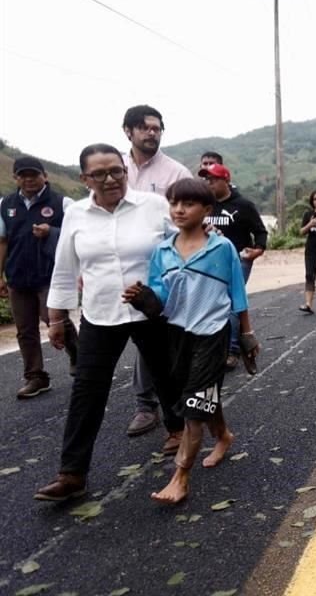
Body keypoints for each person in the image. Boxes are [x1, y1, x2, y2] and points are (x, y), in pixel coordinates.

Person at [35, 143, 181, 501]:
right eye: (99, 174)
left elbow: (182, 245)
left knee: (166, 371)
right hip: (100, 314)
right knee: (88, 389)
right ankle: (72, 474)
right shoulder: (77, 215)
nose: (110, 178)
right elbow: (66, 268)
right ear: (85, 179)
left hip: (151, 308)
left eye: (116, 170)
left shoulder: (154, 206)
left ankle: (178, 430)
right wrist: (56, 318)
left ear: (126, 170)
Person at [122, 178, 260, 504]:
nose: (179, 210)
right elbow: (160, 300)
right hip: (177, 334)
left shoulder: (221, 248)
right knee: (199, 394)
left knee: (193, 408)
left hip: (212, 334)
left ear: (207, 210)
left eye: (188, 204)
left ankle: (180, 476)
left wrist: (247, 334)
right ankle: (223, 435)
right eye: (174, 203)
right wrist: (141, 298)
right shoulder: (163, 251)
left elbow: (237, 294)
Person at [121, 104, 193, 441]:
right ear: (128, 131)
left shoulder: (175, 173)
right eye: (146, 128)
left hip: (166, 270)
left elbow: (189, 218)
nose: (153, 133)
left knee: (162, 339)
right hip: (121, 269)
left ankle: (175, 415)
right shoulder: (113, 169)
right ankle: (146, 406)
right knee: (141, 337)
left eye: (157, 128)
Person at [0, 156, 78, 399]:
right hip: (17, 276)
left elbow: (79, 235)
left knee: (55, 320)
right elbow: (2, 241)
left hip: (50, 275)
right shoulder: (5, 204)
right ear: (16, 178)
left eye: (33, 174)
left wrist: (52, 231)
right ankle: (36, 377)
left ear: (45, 176)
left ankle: (80, 360)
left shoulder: (63, 203)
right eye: (23, 174)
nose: (28, 179)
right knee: (25, 330)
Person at [198, 161, 267, 370]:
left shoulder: (243, 205)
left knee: (231, 304)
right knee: (213, 303)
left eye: (212, 179)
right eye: (206, 180)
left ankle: (233, 350)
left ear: (225, 180)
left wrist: (257, 251)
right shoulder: (205, 206)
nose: (208, 183)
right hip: (210, 262)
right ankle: (214, 347)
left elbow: (261, 232)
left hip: (238, 260)